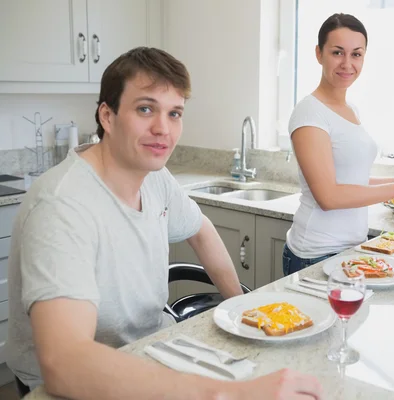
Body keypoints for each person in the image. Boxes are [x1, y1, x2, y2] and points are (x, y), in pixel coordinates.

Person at [6, 47, 322, 400]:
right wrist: (223, 394)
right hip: (78, 381)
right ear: (107, 117)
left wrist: (240, 310)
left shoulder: (153, 177)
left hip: (153, 347)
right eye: (145, 109)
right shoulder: (62, 205)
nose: (162, 129)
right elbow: (65, 364)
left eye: (174, 113)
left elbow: (201, 231)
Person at [283, 13, 394, 276]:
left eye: (356, 54)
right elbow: (329, 197)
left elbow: (354, 180)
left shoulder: (350, 109)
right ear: (319, 54)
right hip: (314, 254)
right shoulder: (310, 113)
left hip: (349, 251)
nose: (347, 63)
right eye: (337, 52)